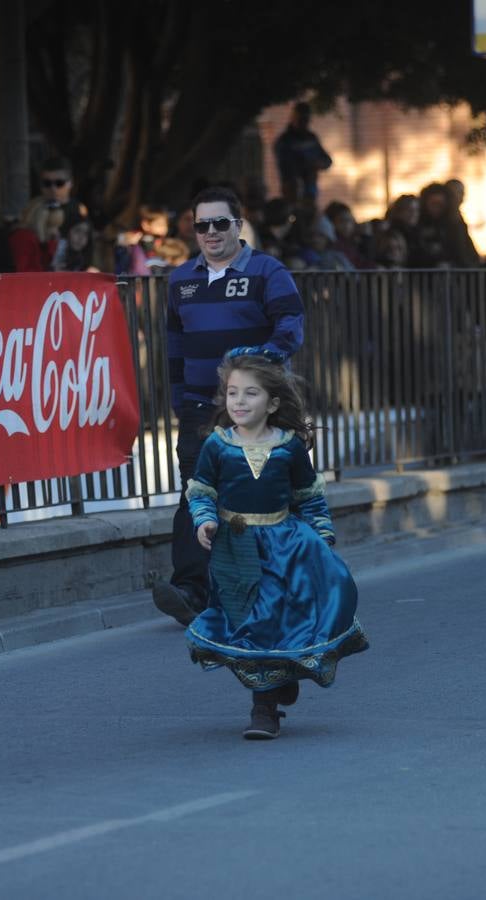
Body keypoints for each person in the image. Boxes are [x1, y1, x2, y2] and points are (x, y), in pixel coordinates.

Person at [183, 350, 368, 739]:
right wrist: (205, 520)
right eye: (233, 393)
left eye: (250, 394)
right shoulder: (217, 446)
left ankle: (272, 695)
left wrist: (322, 537)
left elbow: (310, 497)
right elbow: (201, 492)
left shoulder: (288, 448)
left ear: (273, 403)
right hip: (238, 549)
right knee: (251, 621)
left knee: (285, 619)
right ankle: (267, 700)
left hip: (290, 546)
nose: (239, 402)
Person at [152, 185, 305, 627]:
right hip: (201, 407)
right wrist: (182, 402)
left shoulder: (267, 271)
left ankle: (282, 583)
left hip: (257, 408)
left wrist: (258, 366)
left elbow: (291, 326)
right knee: (196, 494)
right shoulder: (181, 281)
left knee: (264, 493)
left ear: (239, 225)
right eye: (203, 225)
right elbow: (175, 347)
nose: (212, 232)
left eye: (221, 223)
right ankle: (190, 590)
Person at [273, 102, 332, 204]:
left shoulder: (311, 138)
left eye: (306, 120)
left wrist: (317, 164)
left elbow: (327, 161)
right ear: (293, 118)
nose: (304, 123)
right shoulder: (285, 141)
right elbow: (286, 166)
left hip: (310, 189)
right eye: (301, 119)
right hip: (293, 191)